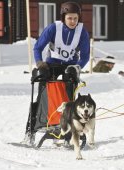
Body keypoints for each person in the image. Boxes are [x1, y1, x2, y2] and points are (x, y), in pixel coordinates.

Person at [22, 1, 90, 145]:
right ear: (64, 17)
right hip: (51, 64)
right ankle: (31, 131)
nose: (72, 21)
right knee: (43, 94)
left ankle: (69, 132)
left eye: (75, 18)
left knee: (69, 96)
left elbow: (85, 56)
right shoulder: (54, 28)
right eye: (69, 18)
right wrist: (40, 62)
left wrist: (77, 67)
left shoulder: (82, 32)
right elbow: (38, 47)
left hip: (70, 66)